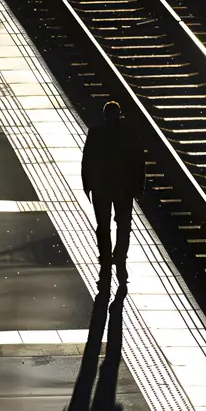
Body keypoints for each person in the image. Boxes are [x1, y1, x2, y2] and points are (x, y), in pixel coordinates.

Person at [81, 101, 145, 286]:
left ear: (104, 114)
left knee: (103, 224)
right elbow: (139, 161)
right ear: (119, 113)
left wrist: (87, 185)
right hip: (124, 187)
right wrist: (139, 185)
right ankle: (120, 256)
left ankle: (105, 256)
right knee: (123, 224)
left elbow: (87, 160)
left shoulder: (96, 133)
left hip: (101, 186)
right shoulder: (129, 133)